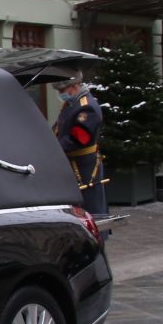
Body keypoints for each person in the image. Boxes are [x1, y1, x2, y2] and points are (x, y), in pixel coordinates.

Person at [50, 69, 106, 216]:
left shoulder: (86, 107)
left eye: (62, 89)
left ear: (74, 86)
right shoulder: (71, 104)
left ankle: (95, 236)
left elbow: (79, 138)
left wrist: (53, 148)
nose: (60, 93)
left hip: (83, 166)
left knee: (89, 205)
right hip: (72, 163)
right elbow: (59, 127)